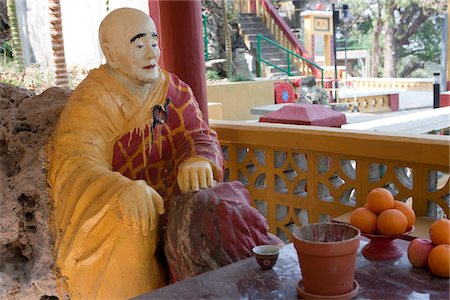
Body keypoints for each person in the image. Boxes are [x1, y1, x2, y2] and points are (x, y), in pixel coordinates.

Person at [47, 7, 223, 299]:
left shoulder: (173, 90)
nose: (151, 54)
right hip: (122, 210)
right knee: (132, 230)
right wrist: (120, 190)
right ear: (111, 53)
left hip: (175, 203)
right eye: (139, 45)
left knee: (217, 210)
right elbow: (76, 163)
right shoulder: (92, 100)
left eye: (154, 43)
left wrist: (198, 158)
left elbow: (198, 134)